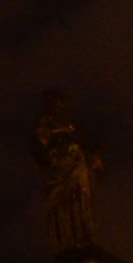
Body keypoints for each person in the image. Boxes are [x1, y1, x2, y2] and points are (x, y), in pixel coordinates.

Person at [31, 90, 99, 252]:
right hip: (59, 170)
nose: (59, 107)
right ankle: (68, 243)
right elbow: (40, 149)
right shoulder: (48, 124)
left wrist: (91, 158)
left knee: (80, 201)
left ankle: (83, 237)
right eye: (56, 103)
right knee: (62, 208)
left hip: (74, 165)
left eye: (61, 104)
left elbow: (82, 145)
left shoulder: (71, 130)